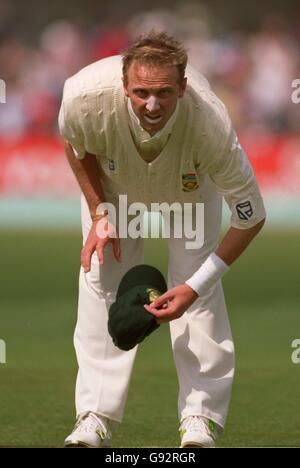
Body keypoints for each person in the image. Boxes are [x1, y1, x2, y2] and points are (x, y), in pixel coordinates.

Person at [58, 30, 266, 448]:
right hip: (115, 188)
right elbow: (75, 145)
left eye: (164, 93)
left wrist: (193, 287)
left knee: (199, 285)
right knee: (101, 277)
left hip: (189, 187)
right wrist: (100, 210)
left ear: (183, 87)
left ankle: (200, 419)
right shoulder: (82, 98)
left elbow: (251, 215)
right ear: (123, 86)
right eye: (140, 93)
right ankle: (93, 416)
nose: (152, 105)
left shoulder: (211, 124)